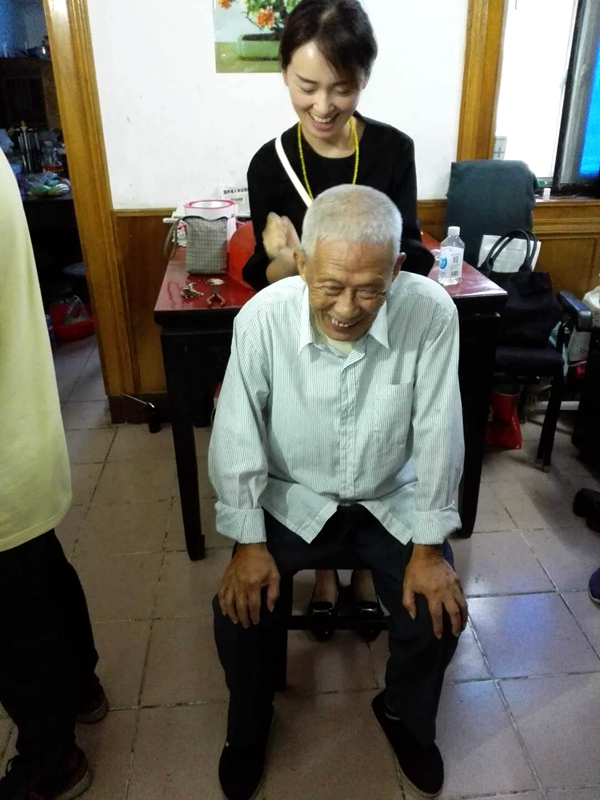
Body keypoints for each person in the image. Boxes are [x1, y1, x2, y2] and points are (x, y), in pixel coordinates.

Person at [210, 185, 467, 800]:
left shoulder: (430, 313)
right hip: (294, 495)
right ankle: (249, 725)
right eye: (330, 286)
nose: (347, 309)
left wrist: (429, 550)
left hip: (390, 497)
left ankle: (402, 712)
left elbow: (440, 429)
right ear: (301, 263)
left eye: (370, 289)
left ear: (397, 269)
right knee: (239, 608)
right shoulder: (263, 319)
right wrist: (248, 543)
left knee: (438, 610)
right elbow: (237, 432)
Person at [242, 0, 434, 639]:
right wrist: (284, 261)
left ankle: (363, 572)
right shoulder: (270, 163)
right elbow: (265, 279)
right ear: (284, 75)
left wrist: (341, 273)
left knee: (373, 452)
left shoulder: (391, 150)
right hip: (307, 347)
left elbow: (411, 257)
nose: (323, 106)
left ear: (363, 79)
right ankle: (325, 573)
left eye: (342, 88)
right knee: (314, 453)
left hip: (375, 332)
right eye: (307, 86)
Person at [0, 151, 107, 800]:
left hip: (9, 445)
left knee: (14, 611)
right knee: (35, 567)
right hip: (22, 434)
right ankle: (80, 685)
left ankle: (51, 758)